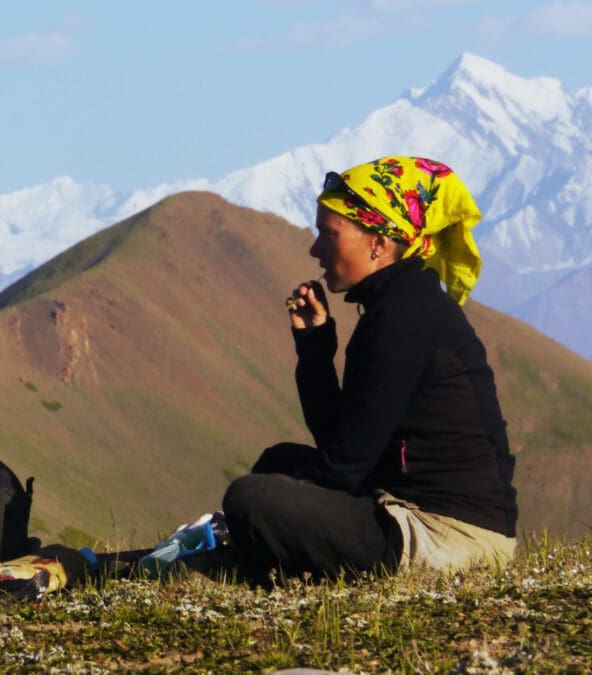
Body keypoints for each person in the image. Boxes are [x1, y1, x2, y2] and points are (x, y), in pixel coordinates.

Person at [220, 156, 518, 582]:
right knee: (278, 465)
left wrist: (270, 505)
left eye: (329, 233)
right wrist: (315, 346)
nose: (315, 249)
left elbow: (343, 467)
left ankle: (244, 563)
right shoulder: (399, 307)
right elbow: (341, 446)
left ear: (378, 243)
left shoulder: (403, 319)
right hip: (411, 512)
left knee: (252, 498)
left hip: (449, 537)